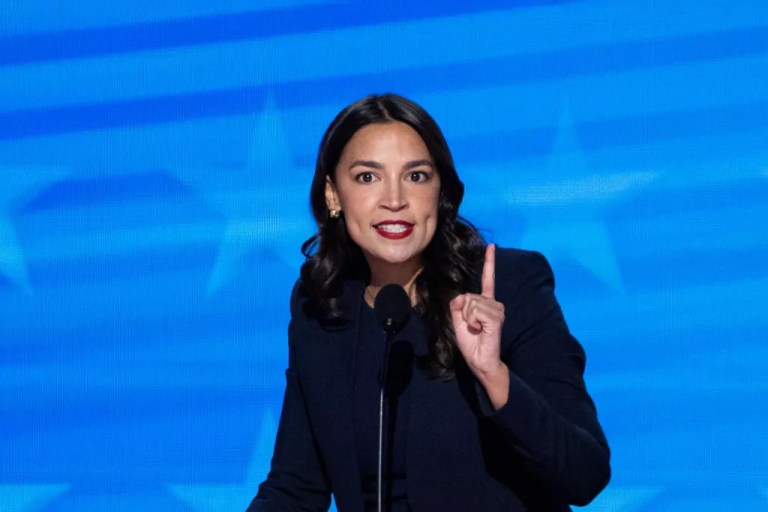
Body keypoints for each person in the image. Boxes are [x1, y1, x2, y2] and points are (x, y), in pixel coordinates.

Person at [247, 93, 610, 512]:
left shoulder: (508, 286)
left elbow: (586, 474)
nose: (395, 199)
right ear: (333, 195)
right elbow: (295, 487)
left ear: (440, 192)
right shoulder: (321, 305)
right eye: (368, 177)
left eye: (416, 176)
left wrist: (495, 377)